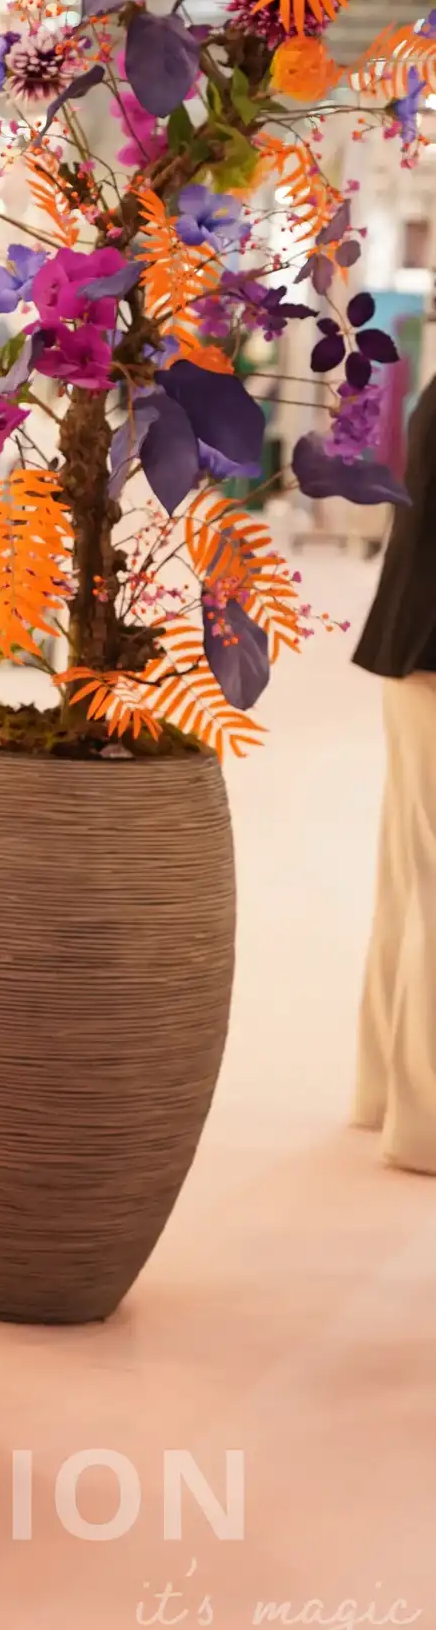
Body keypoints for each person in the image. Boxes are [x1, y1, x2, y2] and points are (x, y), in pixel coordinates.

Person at [351, 367, 436, 1174]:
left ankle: (383, 1091)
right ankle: (424, 1124)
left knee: (411, 880)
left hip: (415, 652)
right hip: (428, 658)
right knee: (423, 886)